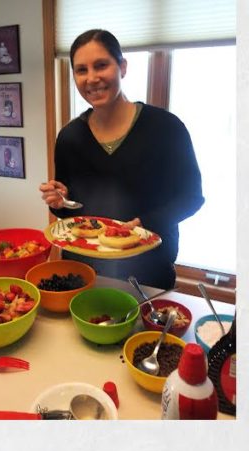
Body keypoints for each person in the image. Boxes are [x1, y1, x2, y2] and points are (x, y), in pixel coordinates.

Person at [39, 29, 203, 289]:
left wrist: (144, 224)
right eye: (81, 70)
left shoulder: (166, 128)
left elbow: (191, 198)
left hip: (148, 270)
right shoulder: (69, 136)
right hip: (82, 272)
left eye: (101, 65)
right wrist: (59, 201)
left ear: (122, 67)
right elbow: (68, 209)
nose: (92, 78)